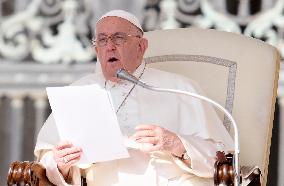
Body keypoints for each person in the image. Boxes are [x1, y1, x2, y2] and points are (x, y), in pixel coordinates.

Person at [35, 10, 234, 186]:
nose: (110, 46)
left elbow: (222, 160)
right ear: (97, 51)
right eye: (102, 40)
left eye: (119, 38)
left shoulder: (181, 88)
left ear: (141, 46)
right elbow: (45, 163)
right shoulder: (78, 91)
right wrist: (61, 164)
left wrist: (175, 143)